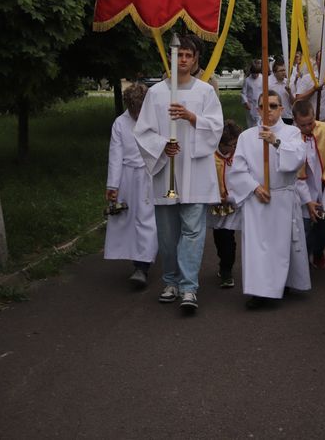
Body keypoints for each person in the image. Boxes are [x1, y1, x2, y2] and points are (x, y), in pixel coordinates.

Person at [134, 36, 223, 312]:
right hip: (167, 171)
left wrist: (191, 117)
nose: (183, 60)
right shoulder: (157, 93)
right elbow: (143, 131)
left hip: (195, 171)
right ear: (172, 59)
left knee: (193, 231)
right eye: (179, 55)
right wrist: (162, 147)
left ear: (196, 59)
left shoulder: (205, 92)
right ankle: (170, 281)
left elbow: (216, 127)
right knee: (168, 233)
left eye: (188, 55)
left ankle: (188, 287)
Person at [227, 90, 310, 308]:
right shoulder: (246, 137)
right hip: (258, 199)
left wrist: (276, 142)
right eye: (264, 106)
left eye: (273, 106)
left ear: (282, 109)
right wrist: (254, 187)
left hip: (282, 196)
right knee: (258, 246)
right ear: (257, 109)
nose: (268, 111)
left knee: (282, 244)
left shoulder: (291, 132)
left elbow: (298, 158)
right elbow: (237, 170)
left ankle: (284, 282)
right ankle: (260, 291)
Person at [104, 83, 158, 288]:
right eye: (134, 110)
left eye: (140, 110)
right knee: (129, 219)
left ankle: (141, 267)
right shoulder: (120, 123)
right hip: (127, 177)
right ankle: (138, 258)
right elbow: (115, 156)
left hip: (150, 174)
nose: (137, 114)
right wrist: (112, 186)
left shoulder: (155, 119)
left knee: (146, 220)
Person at [292, 98, 325, 271]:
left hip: (324, 190)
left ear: (315, 117)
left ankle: (318, 250)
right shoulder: (291, 136)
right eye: (302, 125)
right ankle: (302, 265)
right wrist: (308, 201)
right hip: (302, 194)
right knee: (303, 231)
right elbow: (296, 174)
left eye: (310, 123)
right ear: (295, 121)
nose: (307, 128)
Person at [207, 119, 243, 288]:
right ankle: (224, 266)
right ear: (220, 143)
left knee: (230, 238)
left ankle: (228, 270)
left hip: (234, 204)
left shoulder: (239, 156)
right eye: (231, 145)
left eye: (236, 144)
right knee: (221, 238)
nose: (234, 148)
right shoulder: (209, 157)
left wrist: (232, 197)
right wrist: (214, 195)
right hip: (215, 205)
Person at [295, 50, 325, 123]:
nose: (323, 62)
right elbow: (299, 99)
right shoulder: (307, 78)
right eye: (320, 59)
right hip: (308, 124)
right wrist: (313, 89)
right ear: (316, 61)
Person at [269, 60, 295, 124]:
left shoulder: (289, 83)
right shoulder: (269, 84)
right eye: (281, 71)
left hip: (287, 116)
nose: (284, 72)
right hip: (273, 115)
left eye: (284, 70)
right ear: (274, 72)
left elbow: (293, 102)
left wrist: (289, 92)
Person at [241, 59, 263, 128]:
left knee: (260, 121)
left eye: (257, 73)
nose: (256, 75)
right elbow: (243, 93)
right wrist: (245, 102)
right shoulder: (247, 80)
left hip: (260, 104)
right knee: (250, 123)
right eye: (254, 73)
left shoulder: (262, 78)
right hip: (250, 105)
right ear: (251, 72)